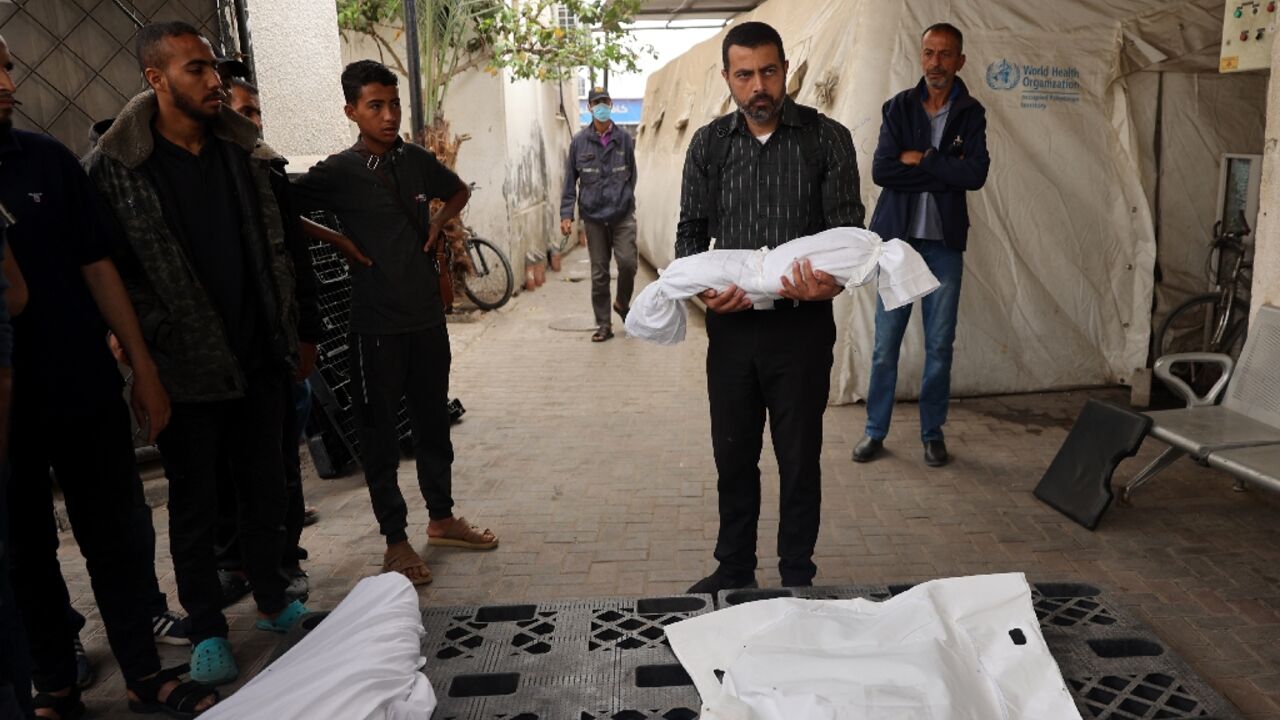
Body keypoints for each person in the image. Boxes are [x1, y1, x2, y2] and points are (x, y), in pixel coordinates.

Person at [0, 33, 219, 717]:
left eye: (8, 65)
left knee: (116, 535)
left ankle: (143, 672)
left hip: (81, 387)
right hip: (5, 405)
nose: (9, 81)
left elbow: (99, 267)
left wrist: (143, 369)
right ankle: (55, 686)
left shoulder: (46, 160)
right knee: (23, 548)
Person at [84, 21, 308, 685]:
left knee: (267, 489)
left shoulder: (245, 151)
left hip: (258, 353)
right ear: (155, 80)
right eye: (195, 70)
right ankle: (208, 627)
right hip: (184, 366)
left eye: (214, 69)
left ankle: (272, 600)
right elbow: (108, 274)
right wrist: (148, 342)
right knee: (196, 504)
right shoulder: (114, 170)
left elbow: (283, 245)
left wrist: (300, 331)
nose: (215, 81)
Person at [293, 60, 498, 588]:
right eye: (374, 106)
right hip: (375, 327)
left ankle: (443, 518)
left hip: (426, 322)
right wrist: (337, 239)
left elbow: (457, 190)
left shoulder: (415, 160)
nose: (388, 116)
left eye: (393, 104)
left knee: (433, 426)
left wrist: (436, 220)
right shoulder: (338, 172)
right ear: (351, 111)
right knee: (379, 436)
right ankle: (395, 541)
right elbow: (279, 206)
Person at [676, 22, 864, 594]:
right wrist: (705, 293)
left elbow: (849, 234)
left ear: (786, 69)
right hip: (731, 331)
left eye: (769, 71)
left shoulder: (826, 138)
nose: (759, 86)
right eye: (745, 74)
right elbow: (689, 238)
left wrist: (828, 285)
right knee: (733, 456)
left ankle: (796, 576)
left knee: (799, 460)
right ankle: (733, 567)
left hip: (802, 330)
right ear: (728, 78)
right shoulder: (710, 144)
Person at [852, 22, 990, 468]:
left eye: (945, 54)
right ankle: (875, 431)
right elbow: (882, 171)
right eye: (929, 53)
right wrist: (947, 168)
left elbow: (976, 176)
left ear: (960, 61)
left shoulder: (971, 114)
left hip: (944, 247)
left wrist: (926, 158)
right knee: (884, 346)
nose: (935, 62)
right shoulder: (898, 108)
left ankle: (932, 433)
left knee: (939, 346)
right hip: (899, 245)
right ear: (921, 55)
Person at [216, 73, 324, 607]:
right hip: (212, 354)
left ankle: (283, 562)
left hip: (272, 347)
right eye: (243, 110)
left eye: (255, 111)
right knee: (222, 472)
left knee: (281, 461)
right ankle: (234, 563)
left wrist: (307, 333)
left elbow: (295, 252)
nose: (251, 121)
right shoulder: (192, 170)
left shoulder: (265, 168)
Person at [559, 86, 638, 342]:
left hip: (622, 214)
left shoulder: (624, 139)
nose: (601, 106)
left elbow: (632, 176)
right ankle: (604, 324)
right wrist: (566, 214)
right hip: (593, 217)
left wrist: (623, 198)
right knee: (599, 273)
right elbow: (570, 181)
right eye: (596, 103)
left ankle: (622, 303)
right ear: (590, 108)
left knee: (628, 263)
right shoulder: (579, 142)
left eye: (605, 101)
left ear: (611, 104)